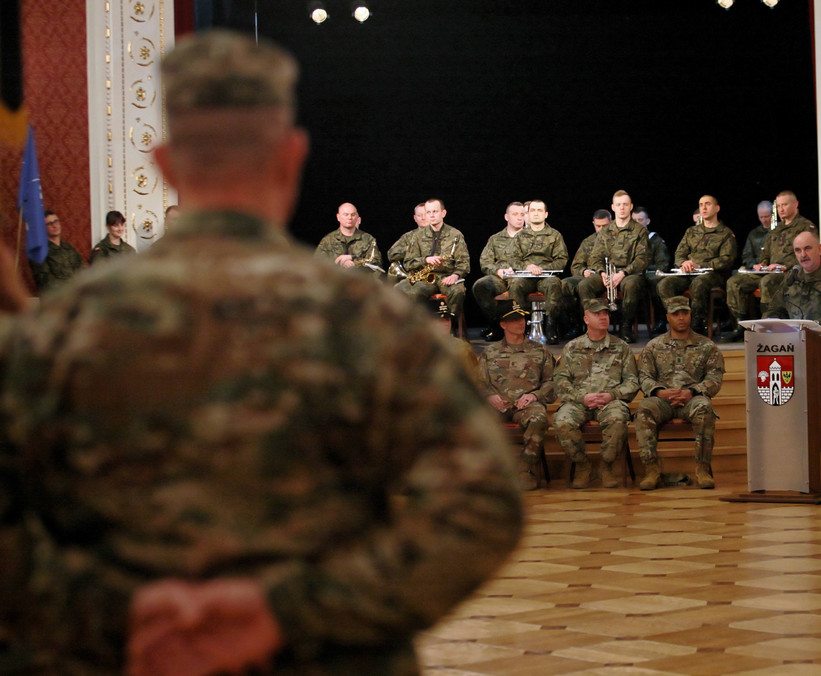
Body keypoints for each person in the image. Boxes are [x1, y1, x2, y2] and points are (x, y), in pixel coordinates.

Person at [0, 31, 522, 676]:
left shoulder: (67, 324)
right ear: (291, 154)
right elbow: (484, 505)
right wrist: (285, 613)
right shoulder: (368, 320)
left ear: (164, 162)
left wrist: (118, 617)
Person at [765, 229, 821, 492]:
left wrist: (815, 327)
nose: (802, 255)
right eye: (797, 251)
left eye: (807, 249)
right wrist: (772, 323)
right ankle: (807, 473)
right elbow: (775, 308)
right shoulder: (792, 277)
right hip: (800, 360)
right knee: (803, 420)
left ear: (819, 248)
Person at [634, 296, 725, 490]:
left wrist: (691, 392)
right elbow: (644, 377)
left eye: (685, 313)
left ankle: (702, 469)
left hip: (693, 398)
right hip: (662, 400)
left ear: (691, 314)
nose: (681, 317)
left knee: (705, 408)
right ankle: (652, 470)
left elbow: (714, 379)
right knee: (643, 410)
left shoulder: (707, 346)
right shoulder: (653, 346)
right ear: (668, 317)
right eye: (676, 314)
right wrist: (661, 393)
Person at [553, 298, 639, 489]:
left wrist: (612, 395)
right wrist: (580, 397)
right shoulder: (572, 347)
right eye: (597, 313)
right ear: (586, 318)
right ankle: (583, 466)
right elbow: (560, 380)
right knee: (562, 421)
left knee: (617, 419)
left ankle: (606, 466)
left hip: (610, 402)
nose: (603, 317)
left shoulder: (621, 347)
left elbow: (633, 381)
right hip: (578, 401)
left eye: (606, 313)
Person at [477, 300, 557, 491]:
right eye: (513, 319)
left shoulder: (539, 351)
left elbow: (553, 382)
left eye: (522, 318)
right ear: (503, 324)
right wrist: (488, 396)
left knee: (538, 418)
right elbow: (478, 383)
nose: (520, 323)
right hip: (497, 404)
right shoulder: (490, 352)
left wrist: (535, 396)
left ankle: (525, 469)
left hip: (526, 405)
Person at [720, 190, 817, 342]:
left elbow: (808, 255)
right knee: (735, 282)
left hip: (792, 272)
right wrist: (762, 264)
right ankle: (741, 326)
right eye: (778, 206)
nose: (781, 209)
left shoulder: (805, 227)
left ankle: (768, 324)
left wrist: (785, 266)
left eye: (784, 205)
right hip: (771, 270)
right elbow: (766, 253)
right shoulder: (776, 229)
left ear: (795, 204)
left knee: (768, 282)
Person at [656, 195, 737, 335]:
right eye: (701, 205)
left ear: (717, 208)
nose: (704, 208)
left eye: (708, 204)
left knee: (698, 284)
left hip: (711, 274)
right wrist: (684, 263)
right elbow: (679, 253)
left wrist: (701, 265)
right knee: (664, 285)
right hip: (689, 273)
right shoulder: (692, 231)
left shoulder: (725, 233)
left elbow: (727, 259)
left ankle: (696, 325)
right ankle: (679, 320)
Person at [578, 190, 650, 343]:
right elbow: (595, 257)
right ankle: (591, 326)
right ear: (613, 207)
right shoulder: (605, 232)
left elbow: (642, 259)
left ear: (631, 206)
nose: (622, 208)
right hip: (608, 273)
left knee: (631, 285)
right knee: (585, 285)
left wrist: (623, 273)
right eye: (618, 205)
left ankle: (626, 326)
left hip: (629, 274)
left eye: (625, 204)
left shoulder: (639, 231)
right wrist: (602, 273)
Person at [394, 198, 470, 317]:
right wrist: (425, 260)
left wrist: (456, 275)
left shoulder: (455, 234)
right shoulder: (417, 236)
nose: (431, 215)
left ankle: (449, 324)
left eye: (435, 211)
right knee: (415, 293)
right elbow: (408, 263)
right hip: (425, 278)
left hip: (447, 276)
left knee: (458, 292)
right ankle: (422, 327)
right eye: (428, 212)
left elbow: (464, 263)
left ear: (443, 213)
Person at [507, 199, 568, 345]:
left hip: (546, 276)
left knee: (554, 284)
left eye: (539, 210)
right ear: (527, 213)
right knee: (515, 285)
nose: (536, 213)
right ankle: (520, 327)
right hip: (526, 276)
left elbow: (562, 259)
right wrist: (528, 267)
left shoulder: (555, 235)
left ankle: (550, 328)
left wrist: (543, 269)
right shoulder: (520, 236)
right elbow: (513, 259)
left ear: (546, 214)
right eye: (533, 210)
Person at [472, 202, 528, 341]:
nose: (519, 218)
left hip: (523, 278)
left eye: (522, 214)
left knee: (518, 286)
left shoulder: (531, 238)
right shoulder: (495, 239)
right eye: (515, 214)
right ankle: (497, 325)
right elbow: (485, 262)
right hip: (501, 278)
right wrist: (498, 271)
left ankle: (522, 328)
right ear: (506, 217)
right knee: (481, 285)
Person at [561, 209, 610, 340]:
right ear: (593, 224)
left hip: (606, 276)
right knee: (565, 284)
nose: (601, 229)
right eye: (598, 226)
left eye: (604, 226)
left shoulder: (615, 240)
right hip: (587, 275)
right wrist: (583, 271)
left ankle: (589, 324)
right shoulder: (588, 242)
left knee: (584, 285)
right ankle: (575, 323)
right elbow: (576, 265)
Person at [313, 202, 383, 274]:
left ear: (357, 217)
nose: (350, 218)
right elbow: (317, 262)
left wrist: (354, 261)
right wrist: (339, 264)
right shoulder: (328, 240)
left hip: (360, 282)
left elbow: (376, 264)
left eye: (353, 215)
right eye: (346, 215)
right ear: (338, 217)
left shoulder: (368, 239)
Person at [634, 206, 671, 336]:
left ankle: (661, 320)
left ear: (647, 221)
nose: (637, 223)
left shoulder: (656, 241)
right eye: (634, 220)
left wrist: (644, 269)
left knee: (657, 282)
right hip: (631, 276)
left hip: (649, 276)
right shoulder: (628, 241)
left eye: (640, 219)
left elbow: (663, 264)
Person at [31, 210, 85, 292]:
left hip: (76, 297)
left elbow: (83, 269)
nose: (55, 226)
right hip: (56, 300)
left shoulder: (68, 247)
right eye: (50, 224)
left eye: (56, 221)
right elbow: (46, 282)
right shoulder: (39, 252)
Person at [386, 203, 428, 282]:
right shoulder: (408, 236)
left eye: (425, 214)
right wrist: (410, 249)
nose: (423, 218)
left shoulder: (442, 235)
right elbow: (391, 254)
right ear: (415, 218)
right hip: (413, 276)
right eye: (419, 215)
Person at [741, 201, 774, 269]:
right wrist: (753, 265)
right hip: (757, 268)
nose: (763, 220)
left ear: (773, 214)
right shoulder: (754, 234)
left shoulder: (780, 230)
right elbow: (747, 255)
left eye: (766, 216)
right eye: (761, 217)